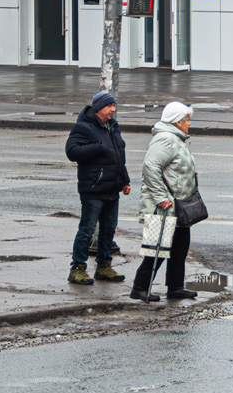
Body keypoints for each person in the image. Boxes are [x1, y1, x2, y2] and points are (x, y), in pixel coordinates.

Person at [131, 101, 200, 304]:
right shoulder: (166, 140)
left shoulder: (177, 139)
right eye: (187, 119)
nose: (189, 123)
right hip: (164, 206)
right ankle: (140, 288)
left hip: (179, 205)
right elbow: (150, 168)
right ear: (177, 122)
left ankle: (175, 287)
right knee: (157, 249)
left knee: (180, 247)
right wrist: (161, 198)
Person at [65, 90, 130, 286]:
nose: (113, 109)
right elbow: (71, 151)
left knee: (109, 230)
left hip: (112, 188)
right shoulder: (83, 127)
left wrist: (124, 181)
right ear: (99, 108)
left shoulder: (112, 127)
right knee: (87, 229)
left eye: (113, 106)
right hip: (93, 188)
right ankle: (77, 268)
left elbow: (119, 157)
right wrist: (98, 147)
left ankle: (103, 266)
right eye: (110, 106)